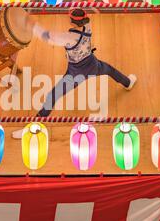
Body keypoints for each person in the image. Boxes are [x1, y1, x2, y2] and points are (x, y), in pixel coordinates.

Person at [12, 8, 137, 138]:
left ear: (71, 22)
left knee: (52, 96)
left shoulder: (69, 37)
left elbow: (47, 36)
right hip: (92, 64)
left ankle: (31, 129)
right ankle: (128, 83)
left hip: (76, 73)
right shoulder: (88, 25)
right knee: (109, 70)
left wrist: (33, 25)